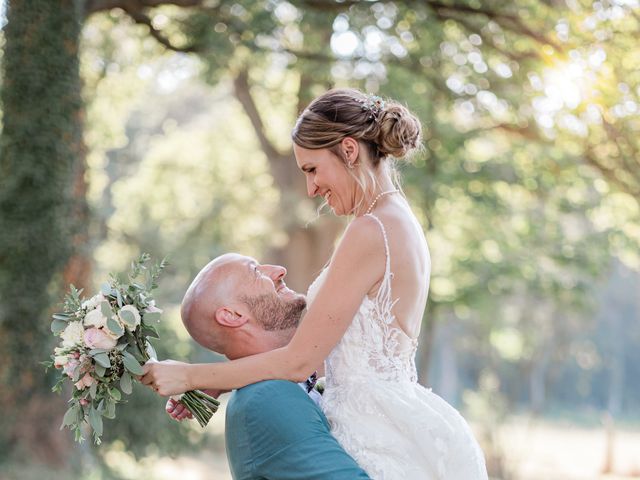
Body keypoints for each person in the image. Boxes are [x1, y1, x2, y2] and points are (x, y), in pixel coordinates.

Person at [142, 88, 488, 479]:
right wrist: (221, 385)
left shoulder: (371, 229)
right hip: (395, 415)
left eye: (312, 169)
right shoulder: (394, 220)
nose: (311, 189)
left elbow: (299, 362)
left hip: (377, 429)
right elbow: (332, 352)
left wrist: (189, 374)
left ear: (349, 150)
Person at [164, 253, 371, 479]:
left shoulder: (283, 381)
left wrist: (218, 380)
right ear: (233, 315)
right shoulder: (269, 397)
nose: (280, 270)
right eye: (256, 271)